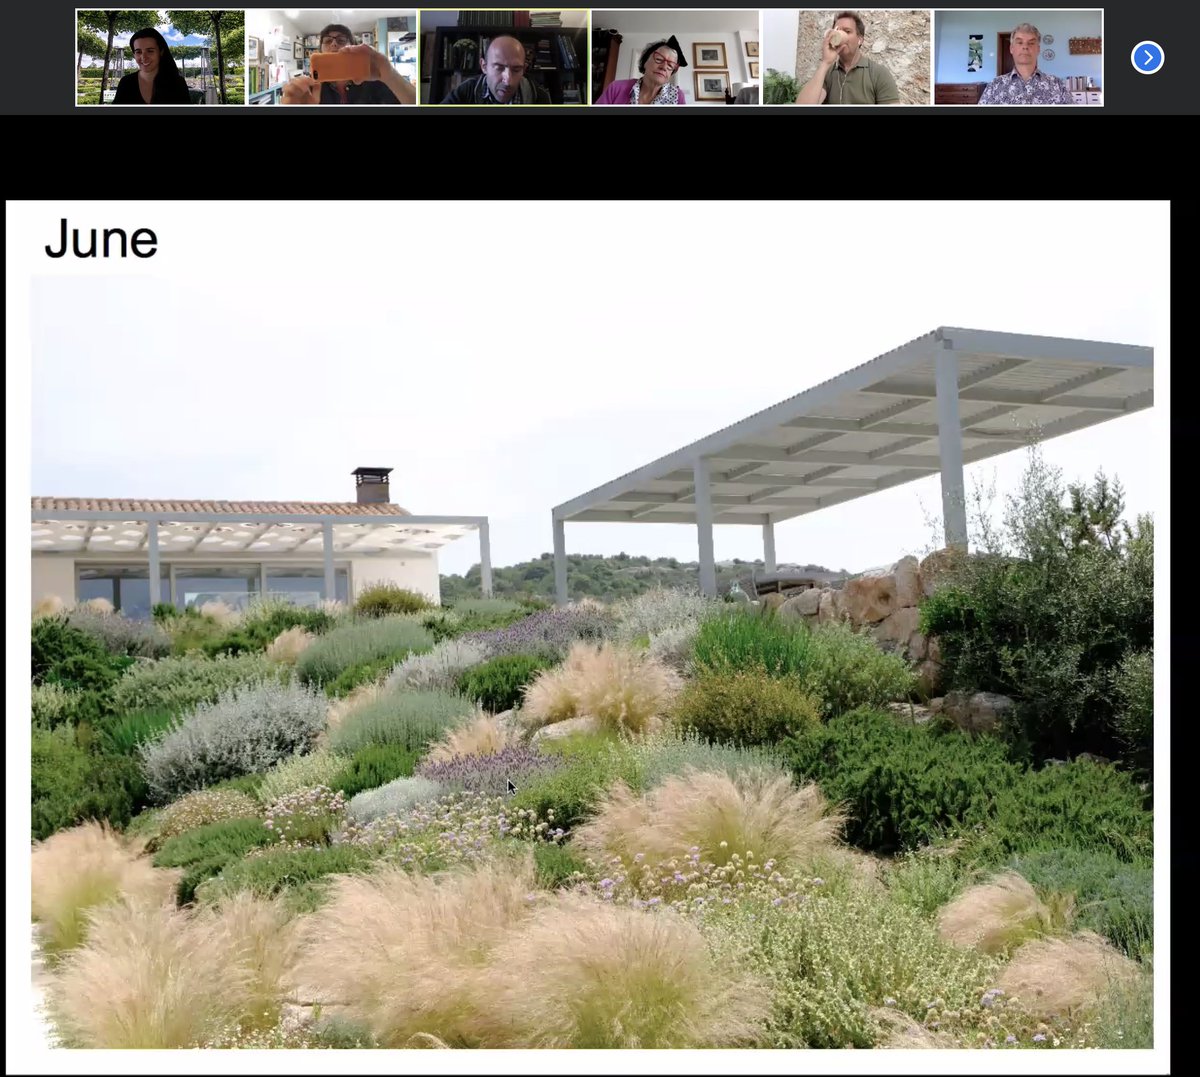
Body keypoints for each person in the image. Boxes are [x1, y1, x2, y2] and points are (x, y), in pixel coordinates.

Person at [281, 24, 415, 104]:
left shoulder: (375, 80)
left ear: (354, 47)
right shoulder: (309, 90)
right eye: (327, 41)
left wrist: (390, 74)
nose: (334, 44)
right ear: (320, 50)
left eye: (341, 40)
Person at [795, 12, 900, 105]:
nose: (840, 35)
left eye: (847, 31)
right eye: (837, 30)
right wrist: (825, 63)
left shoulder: (878, 73)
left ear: (860, 39)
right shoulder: (828, 73)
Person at [977, 23, 1075, 104]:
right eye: (1019, 42)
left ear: (1038, 49)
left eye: (1031, 43)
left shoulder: (1057, 85)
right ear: (1011, 49)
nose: (1025, 47)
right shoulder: (995, 85)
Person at [440, 35, 552, 104]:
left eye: (516, 69)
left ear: (524, 70)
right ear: (484, 66)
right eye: (499, 68)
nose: (507, 81)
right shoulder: (465, 92)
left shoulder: (539, 96)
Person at [594, 36, 688, 105]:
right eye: (659, 59)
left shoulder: (678, 97)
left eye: (670, 65)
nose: (664, 67)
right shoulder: (616, 88)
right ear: (645, 62)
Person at [111, 27, 192, 104]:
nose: (143, 57)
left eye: (150, 51)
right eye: (138, 52)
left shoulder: (177, 83)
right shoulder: (126, 83)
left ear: (161, 52)